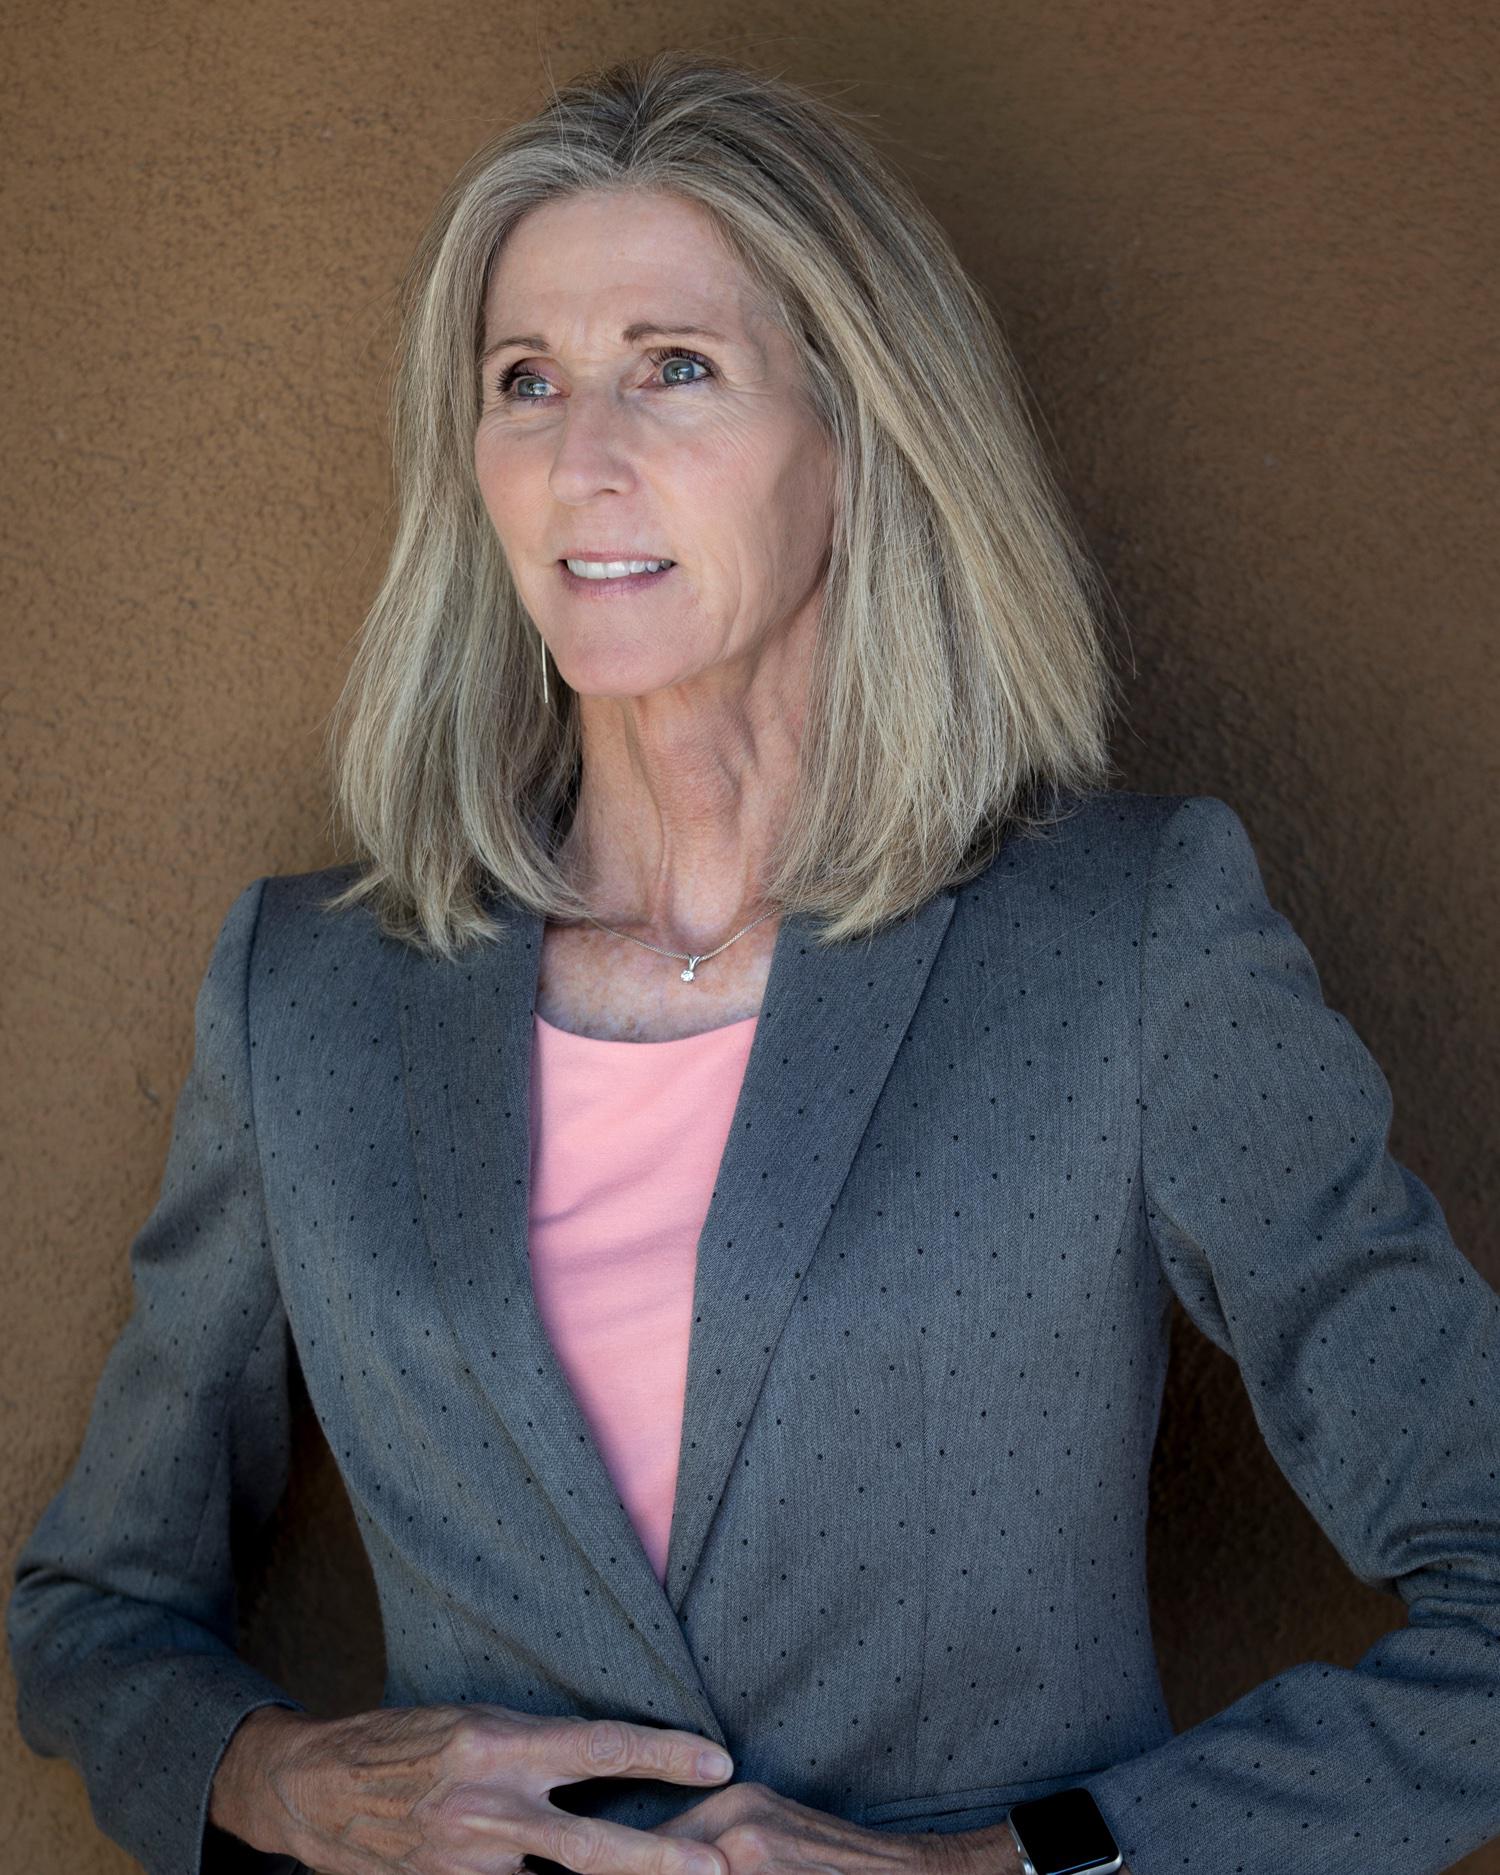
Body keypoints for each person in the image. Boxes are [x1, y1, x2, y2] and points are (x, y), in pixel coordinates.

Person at [9, 46, 1500, 1875]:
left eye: (676, 371)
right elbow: (91, 1609)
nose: (582, 458)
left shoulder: (1130, 941)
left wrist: (1028, 1867)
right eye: (525, 382)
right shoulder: (308, 993)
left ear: (860, 437)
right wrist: (285, 1782)